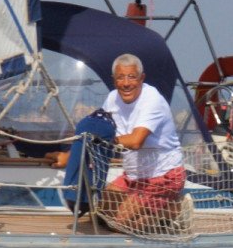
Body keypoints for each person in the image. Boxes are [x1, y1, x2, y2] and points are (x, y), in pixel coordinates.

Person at [54, 53, 190, 233]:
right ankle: (163, 209)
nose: (126, 83)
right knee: (99, 213)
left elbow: (135, 141)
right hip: (132, 177)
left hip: (163, 177)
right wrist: (71, 155)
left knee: (119, 224)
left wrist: (98, 142)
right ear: (113, 80)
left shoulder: (152, 100)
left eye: (131, 77)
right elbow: (97, 131)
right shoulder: (112, 99)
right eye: (120, 77)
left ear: (142, 78)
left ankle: (175, 211)